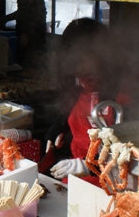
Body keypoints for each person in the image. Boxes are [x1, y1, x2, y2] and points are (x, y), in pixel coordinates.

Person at [43, 18, 124, 181]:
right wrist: (59, 126)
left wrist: (90, 167)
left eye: (80, 60)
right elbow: (72, 112)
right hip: (74, 181)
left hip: (111, 186)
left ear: (102, 55)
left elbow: (132, 153)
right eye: (71, 61)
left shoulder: (125, 95)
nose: (76, 69)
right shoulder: (81, 86)